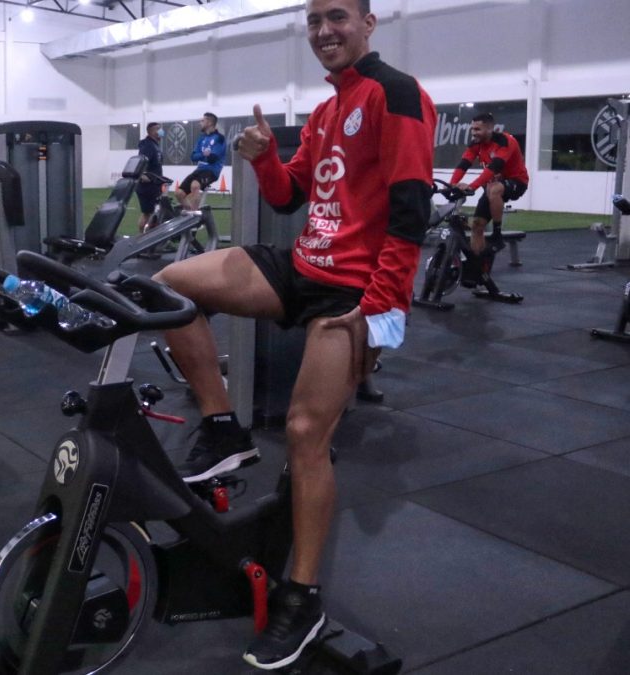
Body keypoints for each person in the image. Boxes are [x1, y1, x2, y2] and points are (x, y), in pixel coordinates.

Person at [153, 0, 435, 669]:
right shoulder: (328, 109)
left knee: (308, 436)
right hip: (305, 265)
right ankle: (223, 428)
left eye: (337, 16)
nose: (323, 31)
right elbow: (288, 198)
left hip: (355, 289)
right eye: (313, 21)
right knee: (166, 285)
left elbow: (411, 204)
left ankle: (302, 599)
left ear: (369, 22)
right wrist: (262, 157)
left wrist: (381, 310)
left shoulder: (394, 92)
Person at [449, 112, 529, 271]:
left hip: (517, 182)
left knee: (493, 188)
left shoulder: (506, 141)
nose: (473, 133)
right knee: (477, 226)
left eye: (477, 129)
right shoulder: (475, 144)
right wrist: (452, 184)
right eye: (472, 129)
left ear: (490, 128)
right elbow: (463, 164)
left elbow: (494, 168)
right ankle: (478, 268)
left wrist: (472, 186)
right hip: (494, 186)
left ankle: (497, 234)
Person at [175, 112, 226, 211]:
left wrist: (203, 156)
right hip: (199, 170)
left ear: (210, 123)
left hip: (212, 171)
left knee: (195, 185)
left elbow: (213, 158)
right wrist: (204, 155)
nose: (200, 122)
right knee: (179, 193)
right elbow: (193, 157)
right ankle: (190, 213)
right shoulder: (202, 138)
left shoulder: (219, 138)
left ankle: (195, 216)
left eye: (203, 120)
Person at [135, 122, 165, 233]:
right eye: (158, 129)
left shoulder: (155, 145)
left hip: (155, 185)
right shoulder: (147, 145)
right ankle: (141, 240)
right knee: (148, 214)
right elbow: (142, 161)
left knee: (154, 214)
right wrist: (142, 175)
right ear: (152, 131)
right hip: (147, 186)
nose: (161, 131)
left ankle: (151, 241)